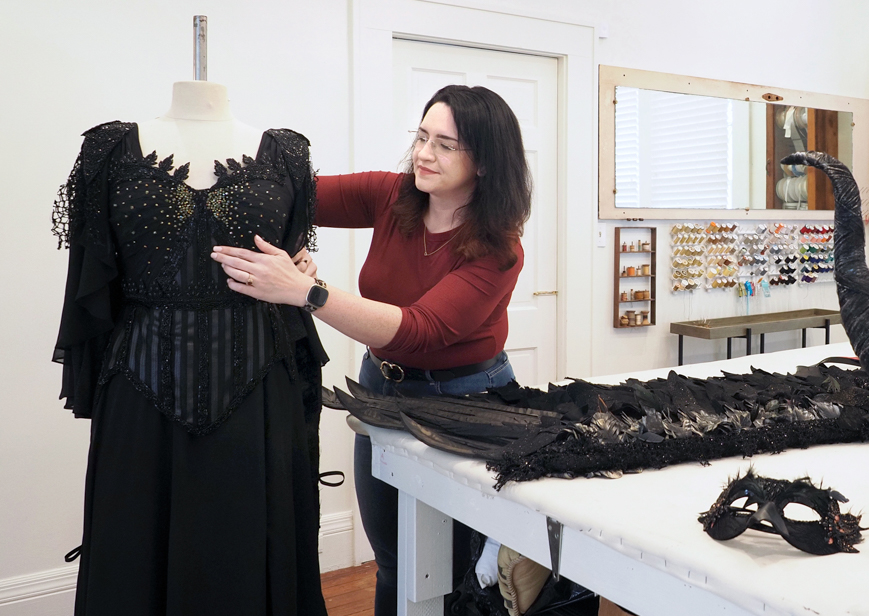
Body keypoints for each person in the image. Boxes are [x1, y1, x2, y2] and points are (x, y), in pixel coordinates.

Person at [211, 84, 530, 615]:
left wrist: (306, 292)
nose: (424, 154)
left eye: (446, 145)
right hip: (382, 390)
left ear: (487, 162)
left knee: (451, 567)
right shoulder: (391, 195)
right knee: (394, 558)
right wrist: (285, 241)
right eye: (422, 136)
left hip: (469, 404)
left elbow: (420, 330)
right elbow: (293, 194)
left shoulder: (499, 249)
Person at [53, 80, 328, 615]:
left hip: (259, 390)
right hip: (138, 390)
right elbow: (88, 284)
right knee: (135, 548)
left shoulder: (288, 155)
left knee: (252, 542)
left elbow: (291, 270)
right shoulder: (109, 150)